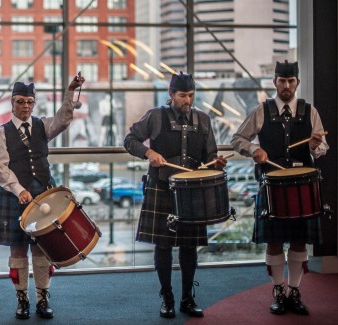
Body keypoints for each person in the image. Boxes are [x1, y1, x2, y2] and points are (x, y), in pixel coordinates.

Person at [124, 72, 227, 319]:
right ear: (171, 95)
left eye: (191, 96)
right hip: (161, 188)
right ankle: (167, 297)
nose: (188, 101)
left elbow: (209, 157)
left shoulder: (203, 120)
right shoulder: (156, 116)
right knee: (163, 246)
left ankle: (187, 298)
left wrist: (217, 163)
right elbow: (129, 140)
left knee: (190, 247)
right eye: (183, 96)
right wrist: (148, 154)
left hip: (192, 193)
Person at [231, 61, 328, 316]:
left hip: (303, 186)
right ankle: (278, 290)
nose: (287, 86)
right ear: (274, 81)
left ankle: (294, 291)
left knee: (299, 241)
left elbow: (321, 150)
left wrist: (315, 145)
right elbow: (237, 139)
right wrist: (254, 149)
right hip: (271, 187)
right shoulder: (261, 111)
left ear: (297, 82)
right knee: (273, 242)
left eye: (291, 81)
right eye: (282, 81)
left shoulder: (310, 112)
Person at [0, 75, 84, 320]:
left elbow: (63, 119)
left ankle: (43, 298)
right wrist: (19, 189)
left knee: (42, 250)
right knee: (18, 252)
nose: (26, 106)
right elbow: (1, 168)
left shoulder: (42, 125)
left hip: (43, 196)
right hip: (13, 197)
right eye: (20, 102)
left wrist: (70, 90)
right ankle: (22, 300)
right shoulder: (2, 132)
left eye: (30, 102)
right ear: (12, 103)